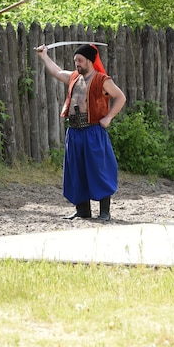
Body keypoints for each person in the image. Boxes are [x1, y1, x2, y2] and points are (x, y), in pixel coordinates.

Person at [36, 43, 126, 221]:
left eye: (80, 60)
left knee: (98, 170)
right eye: (75, 60)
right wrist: (44, 56)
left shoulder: (102, 80)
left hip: (93, 131)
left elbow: (120, 97)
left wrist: (108, 118)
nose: (77, 63)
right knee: (77, 171)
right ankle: (83, 211)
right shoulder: (74, 77)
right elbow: (57, 72)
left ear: (90, 61)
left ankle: (104, 213)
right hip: (75, 131)